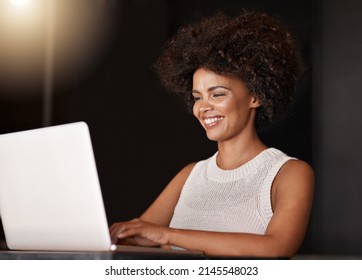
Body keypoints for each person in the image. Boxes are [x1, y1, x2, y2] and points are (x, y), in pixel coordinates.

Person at [110, 10, 314, 257]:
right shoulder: (190, 175)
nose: (203, 107)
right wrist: (116, 236)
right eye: (197, 97)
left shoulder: (288, 173)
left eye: (217, 94)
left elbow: (277, 247)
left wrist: (168, 235)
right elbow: (137, 237)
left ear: (255, 96)